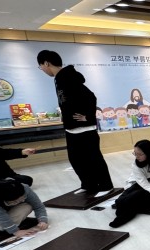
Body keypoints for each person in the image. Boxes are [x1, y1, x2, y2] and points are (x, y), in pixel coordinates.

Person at [37, 50, 114, 196]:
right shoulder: (59, 78)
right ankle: (88, 184)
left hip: (84, 128)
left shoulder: (68, 77)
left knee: (94, 159)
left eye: (41, 66)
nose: (42, 69)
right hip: (71, 129)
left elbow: (91, 97)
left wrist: (88, 116)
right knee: (76, 160)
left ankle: (106, 185)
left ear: (46, 63)